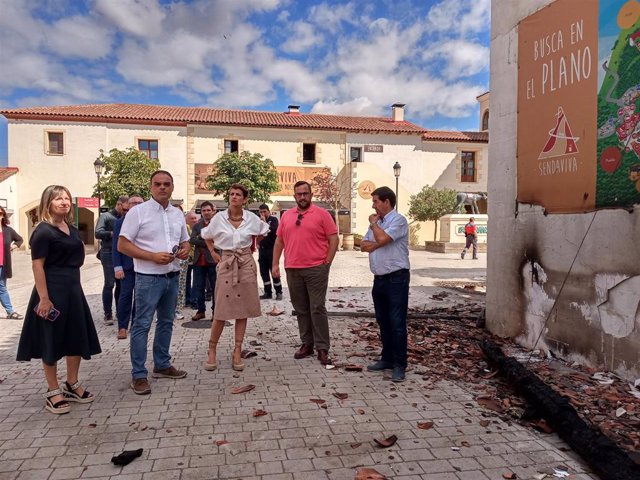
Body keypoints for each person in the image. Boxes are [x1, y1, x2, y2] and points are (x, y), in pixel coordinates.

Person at [16, 185, 101, 414]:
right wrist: (44, 298)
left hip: (73, 289)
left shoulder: (72, 230)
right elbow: (37, 265)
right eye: (57, 199)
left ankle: (72, 383)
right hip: (51, 290)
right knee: (50, 339)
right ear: (48, 203)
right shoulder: (43, 231)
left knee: (75, 336)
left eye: (66, 198)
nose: (63, 202)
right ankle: (53, 390)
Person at [118, 171, 190, 395]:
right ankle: (139, 374)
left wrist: (185, 250)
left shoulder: (177, 214)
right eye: (157, 184)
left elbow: (185, 241)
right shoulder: (138, 212)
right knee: (142, 325)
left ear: (172, 187)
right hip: (147, 278)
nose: (162, 188)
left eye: (166, 184)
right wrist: (151, 256)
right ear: (150, 186)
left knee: (166, 322)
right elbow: (122, 245)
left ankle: (162, 364)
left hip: (172, 276)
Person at [201, 184, 269, 372]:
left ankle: (237, 350)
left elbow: (264, 231)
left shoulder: (252, 218)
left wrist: (251, 247)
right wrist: (213, 252)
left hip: (246, 264)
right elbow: (206, 235)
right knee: (221, 309)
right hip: (227, 261)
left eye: (238, 194)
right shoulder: (219, 218)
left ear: (245, 199)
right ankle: (212, 349)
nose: (234, 197)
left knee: (242, 310)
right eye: (231, 194)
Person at [272, 181, 339, 365]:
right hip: (293, 268)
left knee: (317, 307)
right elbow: (279, 241)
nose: (302, 197)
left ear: (311, 194)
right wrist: (275, 263)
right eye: (299, 194)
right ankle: (307, 344)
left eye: (305, 193)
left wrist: (327, 262)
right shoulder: (286, 216)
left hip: (316, 268)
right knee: (301, 309)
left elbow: (333, 239)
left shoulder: (322, 214)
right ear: (294, 196)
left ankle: (322, 347)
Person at [361, 186, 410, 383]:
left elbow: (380, 237)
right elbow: (363, 245)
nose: (373, 206)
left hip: (396, 279)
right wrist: (379, 241)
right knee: (383, 321)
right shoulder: (380, 223)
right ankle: (387, 358)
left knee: (397, 323)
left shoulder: (398, 220)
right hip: (379, 279)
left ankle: (400, 364)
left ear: (386, 202)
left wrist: (374, 227)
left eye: (375, 201)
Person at [112, 194, 144, 340]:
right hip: (126, 266)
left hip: (143, 265)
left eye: (139, 202)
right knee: (125, 296)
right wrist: (117, 266)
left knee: (140, 297)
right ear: (127, 206)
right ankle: (122, 327)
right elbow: (115, 247)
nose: (136, 205)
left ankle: (136, 324)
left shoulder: (147, 221)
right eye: (133, 203)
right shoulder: (120, 222)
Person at [95, 195, 128, 325]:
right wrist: (112, 234)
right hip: (108, 252)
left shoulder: (125, 218)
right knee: (109, 283)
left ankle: (120, 312)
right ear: (119, 204)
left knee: (121, 284)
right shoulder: (106, 217)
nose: (126, 211)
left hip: (122, 252)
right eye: (124, 208)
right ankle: (107, 313)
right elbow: (97, 233)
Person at [190, 201, 218, 321]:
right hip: (198, 261)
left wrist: (201, 238)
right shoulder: (197, 225)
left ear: (212, 211)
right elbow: (192, 240)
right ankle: (201, 311)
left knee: (214, 287)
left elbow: (217, 242)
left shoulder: (217, 225)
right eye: (203, 211)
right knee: (199, 287)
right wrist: (207, 240)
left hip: (213, 260)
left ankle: (215, 312)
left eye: (208, 210)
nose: (206, 212)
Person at [0, 206, 24, 319]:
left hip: (2, 265)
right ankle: (10, 311)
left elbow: (20, 239)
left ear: (3, 216)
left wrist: (14, 246)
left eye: (0, 213)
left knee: (2, 287)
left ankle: (10, 311)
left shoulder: (8, 230)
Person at [257, 204, 283, 300]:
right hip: (262, 250)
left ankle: (279, 291)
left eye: (264, 211)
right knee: (263, 272)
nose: (263, 214)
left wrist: (265, 223)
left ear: (268, 211)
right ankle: (267, 292)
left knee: (274, 272)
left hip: (272, 250)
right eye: (261, 212)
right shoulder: (258, 222)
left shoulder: (274, 220)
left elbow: (274, 231)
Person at [184, 211, 199, 309]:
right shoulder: (185, 228)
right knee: (186, 279)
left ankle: (193, 300)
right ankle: (187, 299)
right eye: (191, 218)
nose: (194, 220)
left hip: (196, 258)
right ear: (186, 219)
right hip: (187, 258)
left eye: (195, 218)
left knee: (196, 280)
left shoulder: (198, 228)